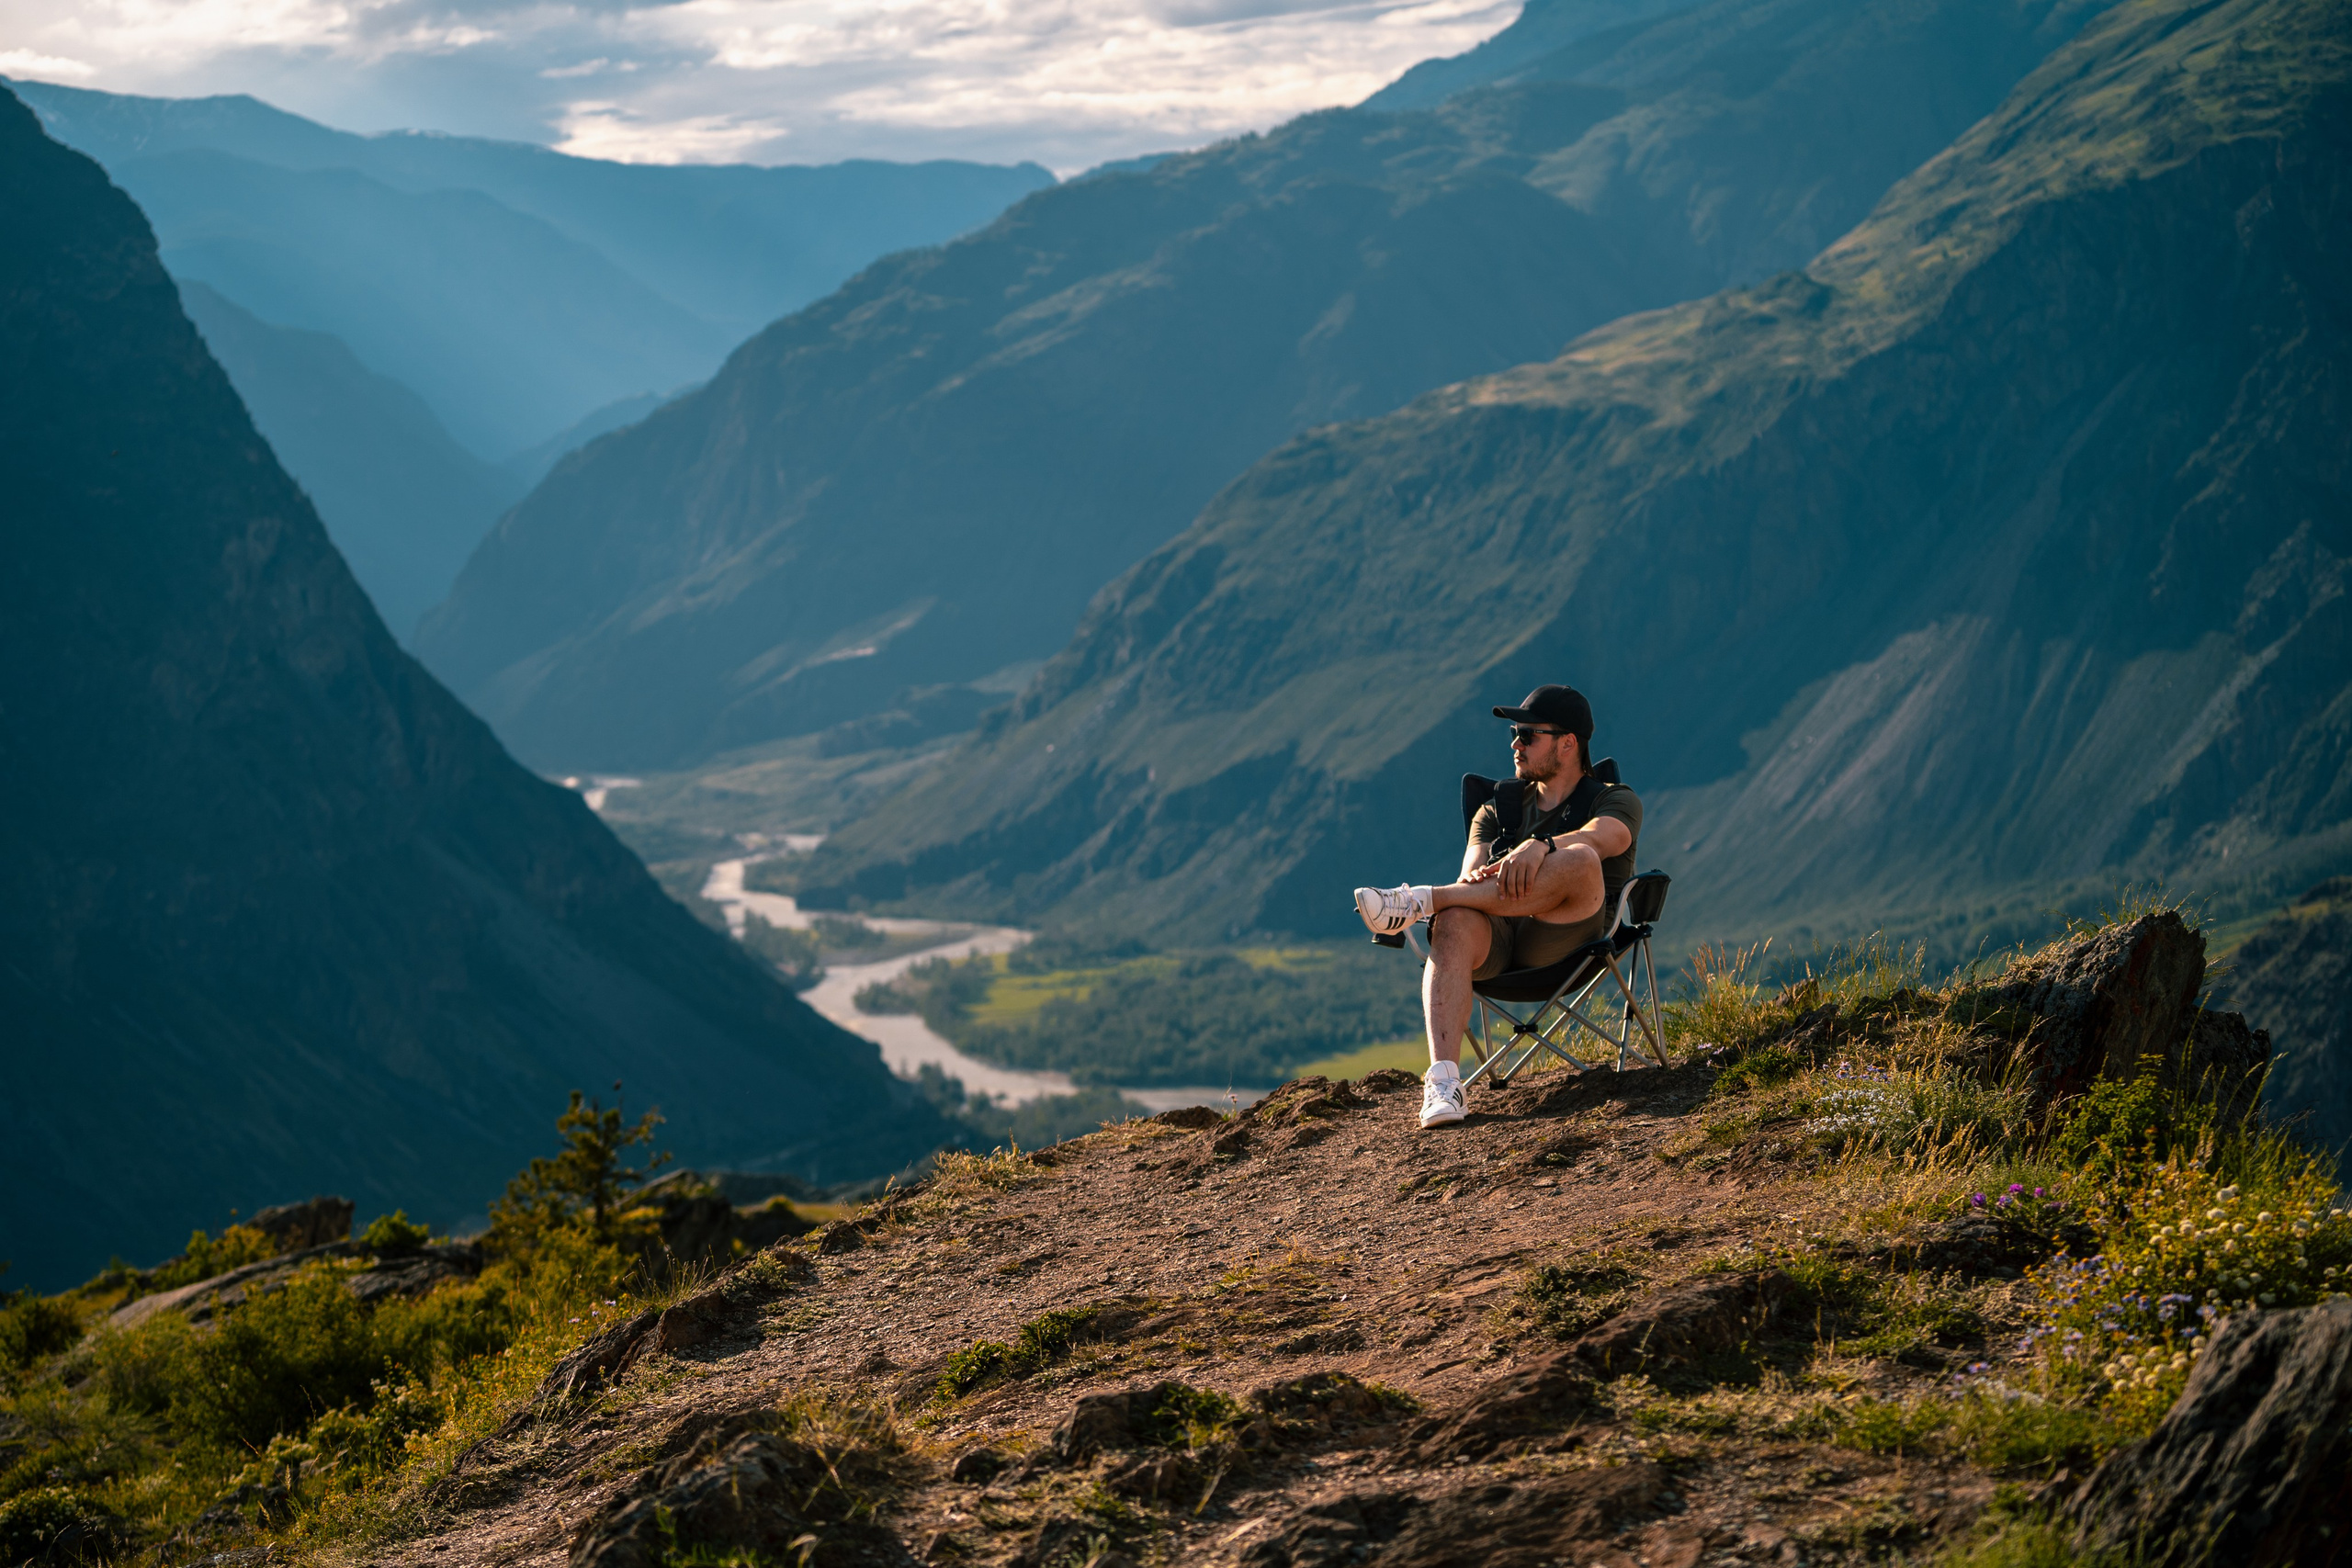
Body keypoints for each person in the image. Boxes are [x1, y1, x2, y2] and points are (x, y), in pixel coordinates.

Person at [1353, 685, 1642, 1129]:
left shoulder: (1612, 798)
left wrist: (1539, 846)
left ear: (1569, 743)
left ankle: (1418, 901)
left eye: (1528, 735)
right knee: (1452, 917)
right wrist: (1487, 876)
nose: (1515, 744)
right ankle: (1444, 1085)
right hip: (1500, 944)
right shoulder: (1496, 809)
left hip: (1569, 941)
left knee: (1581, 858)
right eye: (1514, 733)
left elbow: (1610, 838)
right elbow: (1472, 878)